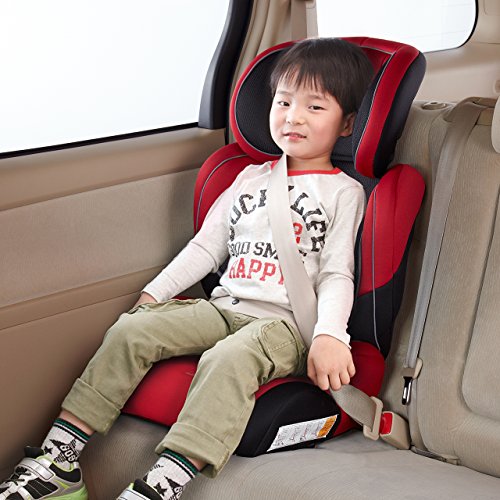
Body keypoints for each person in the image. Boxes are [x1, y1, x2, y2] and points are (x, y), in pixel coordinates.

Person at [0, 37, 373, 500]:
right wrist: (154, 296)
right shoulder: (250, 177)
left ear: (347, 124)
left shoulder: (343, 192)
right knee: (132, 330)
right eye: (283, 102)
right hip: (225, 306)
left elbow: (337, 273)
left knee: (226, 359)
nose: (293, 117)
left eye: (314, 107)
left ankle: (163, 485)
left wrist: (330, 336)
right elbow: (205, 249)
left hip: (284, 326)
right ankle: (59, 461)